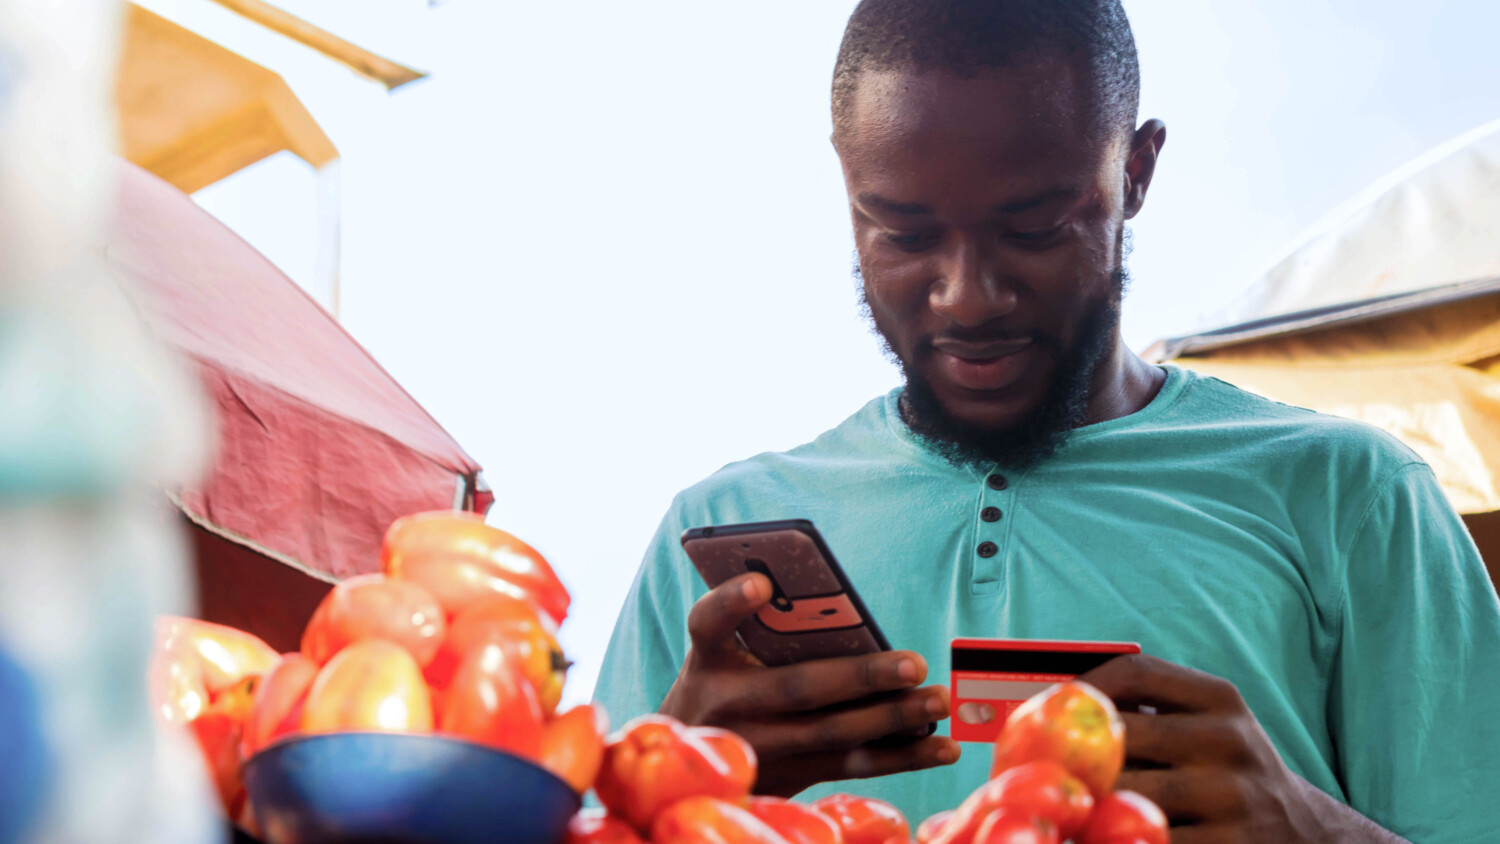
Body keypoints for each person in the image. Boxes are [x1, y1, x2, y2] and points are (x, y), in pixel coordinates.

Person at [593, 1, 1500, 840]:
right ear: (847, 187)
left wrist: (1316, 830)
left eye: (1033, 229)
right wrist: (664, 779)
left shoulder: (1351, 497)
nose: (967, 297)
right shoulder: (716, 533)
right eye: (903, 234)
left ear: (1135, 172)